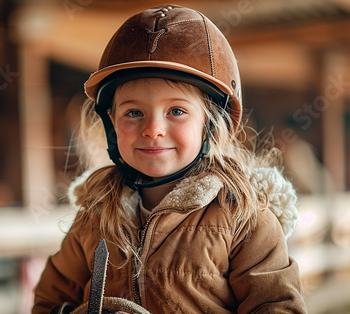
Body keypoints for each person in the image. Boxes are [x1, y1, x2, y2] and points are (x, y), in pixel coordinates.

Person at [33, 5, 307, 313]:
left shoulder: (244, 216)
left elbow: (277, 306)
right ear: (111, 125)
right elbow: (48, 302)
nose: (152, 130)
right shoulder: (94, 216)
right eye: (133, 113)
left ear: (211, 125)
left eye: (176, 111)